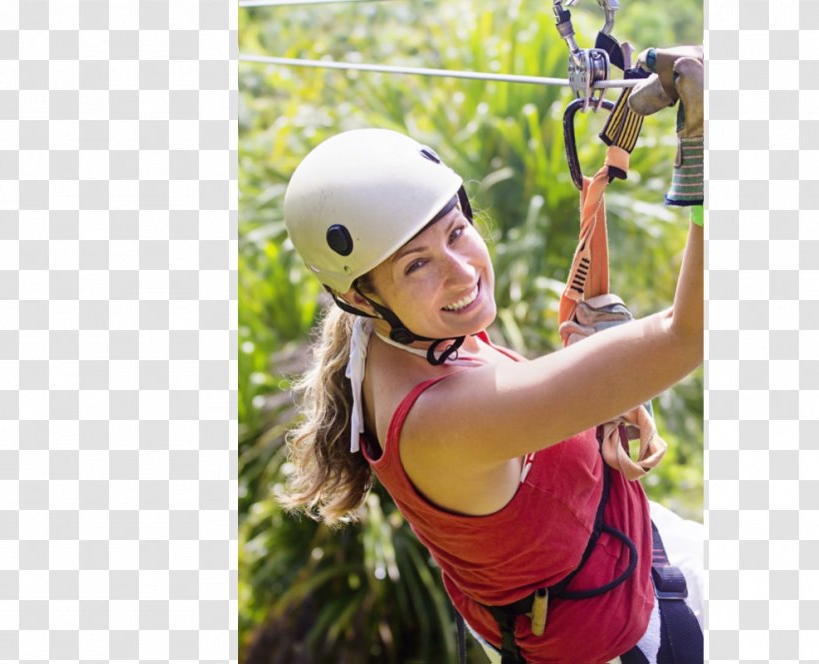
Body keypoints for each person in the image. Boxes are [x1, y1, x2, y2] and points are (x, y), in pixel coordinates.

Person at [278, 44, 704, 664]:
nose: (461, 273)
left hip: (619, 553)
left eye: (456, 232)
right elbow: (686, 337)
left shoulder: (391, 334)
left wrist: (597, 398)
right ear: (359, 296)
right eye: (416, 265)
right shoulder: (441, 419)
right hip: (627, 631)